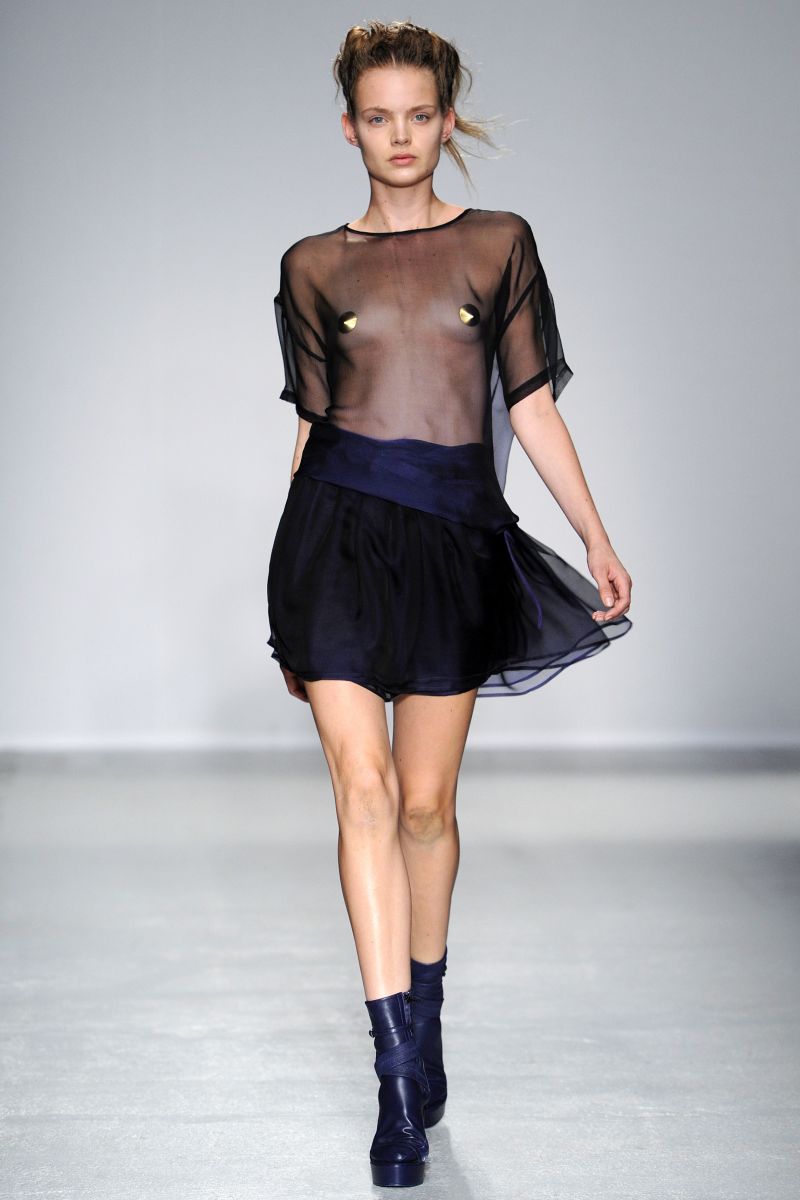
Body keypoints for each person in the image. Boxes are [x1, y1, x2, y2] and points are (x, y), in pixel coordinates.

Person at [266, 20, 633, 1188]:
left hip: (452, 544)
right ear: (348, 127)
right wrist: (282, 591)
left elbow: (529, 404)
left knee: (425, 807)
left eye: (418, 114)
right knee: (364, 793)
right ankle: (392, 1078)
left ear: (445, 119)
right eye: (378, 117)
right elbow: (312, 428)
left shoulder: (496, 244)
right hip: (332, 539)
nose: (400, 135)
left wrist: (592, 533)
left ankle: (422, 1015)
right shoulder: (310, 266)